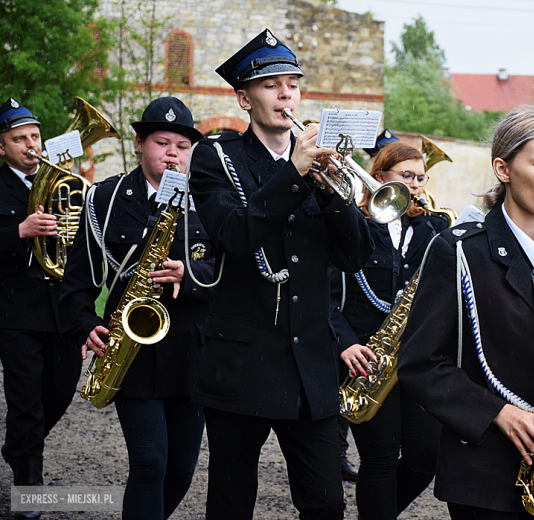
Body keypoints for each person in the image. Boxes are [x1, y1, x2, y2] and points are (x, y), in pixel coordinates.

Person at [396, 105, 534, 519]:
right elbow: (419, 364)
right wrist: (495, 413)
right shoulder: (458, 250)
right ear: (503, 168)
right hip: (485, 473)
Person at [187, 29, 372, 519]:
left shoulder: (322, 164)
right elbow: (236, 235)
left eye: (292, 82)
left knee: (326, 503)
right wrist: (294, 171)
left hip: (310, 365)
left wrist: (334, 191)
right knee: (231, 501)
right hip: (241, 364)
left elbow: (355, 256)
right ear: (244, 98)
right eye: (271, 85)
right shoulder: (217, 158)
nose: (285, 92)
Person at [58, 96, 213, 520]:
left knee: (181, 468)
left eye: (182, 146)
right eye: (162, 142)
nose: (172, 154)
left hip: (191, 353)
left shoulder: (208, 200)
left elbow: (227, 271)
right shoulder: (105, 200)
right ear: (141, 144)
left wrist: (190, 275)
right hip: (130, 351)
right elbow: (76, 283)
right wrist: (84, 323)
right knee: (149, 462)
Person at [330, 142, 448, 519]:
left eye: (419, 177)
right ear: (380, 178)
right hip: (368, 359)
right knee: (379, 459)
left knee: (424, 460)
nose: (414, 185)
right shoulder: (356, 225)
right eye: (406, 176)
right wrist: (346, 344)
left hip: (417, 358)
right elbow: (327, 295)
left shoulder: (433, 228)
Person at [0, 97, 82, 519]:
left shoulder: (61, 180)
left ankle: (19, 446)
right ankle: (29, 483)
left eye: (34, 136)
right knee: (27, 400)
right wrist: (20, 230)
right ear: (2, 148)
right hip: (16, 311)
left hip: (60, 308)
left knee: (62, 389)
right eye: (19, 139)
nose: (30, 145)